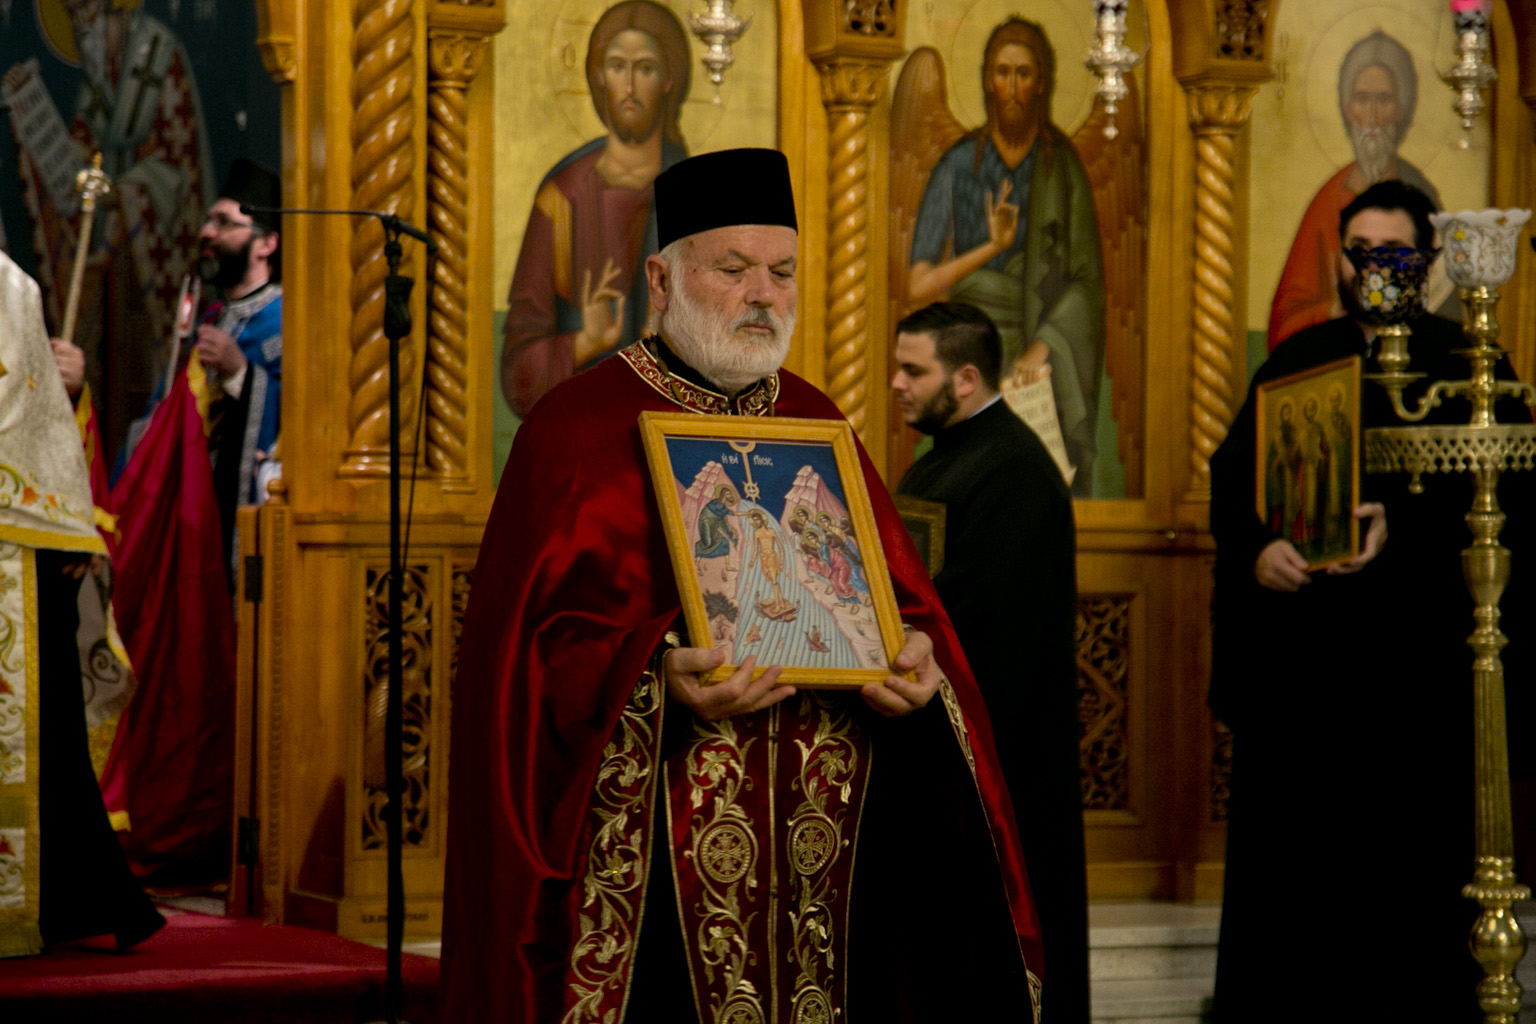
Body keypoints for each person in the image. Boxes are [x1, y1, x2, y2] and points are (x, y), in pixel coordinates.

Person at [442, 149, 1044, 1022]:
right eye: (733, 269)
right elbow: (523, 671)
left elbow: (900, 612)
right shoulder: (571, 434)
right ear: (662, 275)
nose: (764, 293)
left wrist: (918, 665)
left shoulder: (816, 422)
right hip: (655, 863)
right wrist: (654, 674)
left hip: (826, 856)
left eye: (782, 271)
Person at [1210, 180, 1531, 1022]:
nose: (1372, 272)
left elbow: (1508, 509)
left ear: (1427, 263)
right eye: (1358, 255)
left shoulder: (1473, 369)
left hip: (1414, 684)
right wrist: (1258, 553)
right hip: (1307, 687)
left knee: (1409, 895)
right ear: (1340, 261)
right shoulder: (1296, 362)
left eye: (1392, 255)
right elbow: (1230, 485)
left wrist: (1406, 531)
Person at [892, 301, 1088, 1024]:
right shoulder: (951, 458)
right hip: (949, 753)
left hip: (1001, 765)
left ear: (966, 376)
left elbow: (981, 624)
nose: (897, 384)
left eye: (914, 370)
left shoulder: (1012, 471)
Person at [0, 249, 163, 957]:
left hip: (15, 540)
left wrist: (66, 525)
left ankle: (55, 897)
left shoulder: (11, 287)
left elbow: (34, 416)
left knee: (38, 727)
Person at [907, 16, 1104, 494]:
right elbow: (919, 285)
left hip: (1039, 357)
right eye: (1002, 72)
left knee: (1033, 488)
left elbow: (1087, 282)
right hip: (970, 351)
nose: (1012, 86)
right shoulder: (957, 166)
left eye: (1024, 73)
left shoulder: (1064, 168)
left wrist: (1046, 344)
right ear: (987, 82)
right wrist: (989, 249)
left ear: (1042, 84)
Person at [501, 0, 691, 417]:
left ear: (668, 79)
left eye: (644, 68)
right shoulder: (562, 197)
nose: (628, 84)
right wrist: (587, 340)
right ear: (599, 76)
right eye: (617, 66)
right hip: (581, 428)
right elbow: (517, 368)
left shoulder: (694, 188)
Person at [1267, 31, 1443, 349]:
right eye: (1362, 99)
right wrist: (1330, 310)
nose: (1372, 265)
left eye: (1392, 249)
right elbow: (1288, 314)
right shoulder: (1299, 358)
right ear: (1347, 108)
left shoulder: (1455, 355)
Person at [191, 159, 283, 570]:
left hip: (253, 514)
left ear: (266, 244)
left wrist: (241, 375)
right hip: (199, 508)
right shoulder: (211, 318)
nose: (207, 233)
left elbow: (306, 417)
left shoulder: (287, 319)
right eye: (209, 221)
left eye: (224, 223)